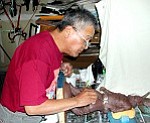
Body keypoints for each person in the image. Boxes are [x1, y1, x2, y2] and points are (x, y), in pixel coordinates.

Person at [0, 8, 143, 123]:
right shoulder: (37, 57)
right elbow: (33, 107)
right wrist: (76, 101)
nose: (86, 47)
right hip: (21, 117)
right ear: (69, 31)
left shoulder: (51, 43)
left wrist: (59, 69)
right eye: (86, 40)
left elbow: (44, 69)